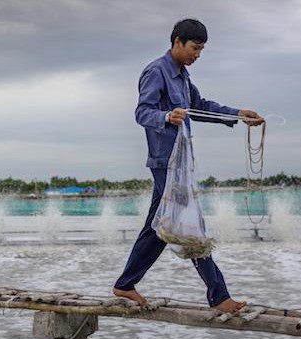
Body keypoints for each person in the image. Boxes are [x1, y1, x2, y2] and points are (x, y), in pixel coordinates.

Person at [112, 18, 264, 313]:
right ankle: (219, 296)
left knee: (158, 228)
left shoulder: (183, 77)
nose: (198, 54)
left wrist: (238, 114)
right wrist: (166, 117)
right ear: (177, 41)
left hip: (180, 164)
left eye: (202, 50)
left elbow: (201, 107)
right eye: (195, 47)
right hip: (164, 163)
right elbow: (142, 112)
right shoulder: (156, 71)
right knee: (188, 225)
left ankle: (125, 283)